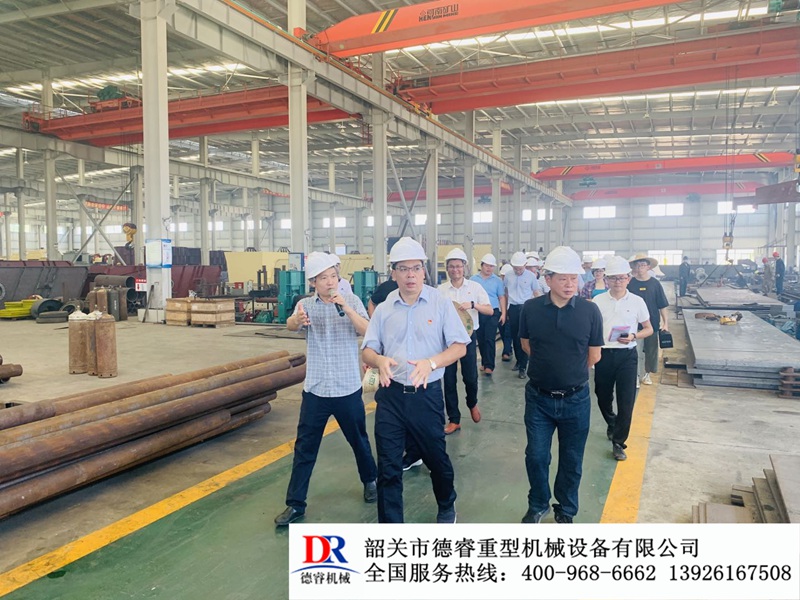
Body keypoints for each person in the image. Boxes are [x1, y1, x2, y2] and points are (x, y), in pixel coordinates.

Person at [361, 237, 470, 524]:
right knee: (388, 466)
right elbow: (368, 350)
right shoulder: (384, 309)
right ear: (393, 273)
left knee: (436, 457)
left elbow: (460, 347)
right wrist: (379, 360)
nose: (410, 274)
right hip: (391, 396)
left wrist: (431, 363)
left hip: (426, 395)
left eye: (416, 268)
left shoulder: (440, 304)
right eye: (403, 268)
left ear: (424, 271)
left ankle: (446, 505)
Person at [274, 252, 378, 527]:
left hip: (347, 388)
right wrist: (297, 321)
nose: (330, 282)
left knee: (358, 440)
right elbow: (290, 325)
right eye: (323, 278)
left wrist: (347, 308)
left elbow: (368, 330)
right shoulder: (305, 305)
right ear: (313, 282)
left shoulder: (351, 301)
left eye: (333, 276)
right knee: (305, 447)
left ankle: (370, 480)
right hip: (316, 390)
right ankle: (295, 504)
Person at [518, 246, 604, 524]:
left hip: (576, 399)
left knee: (571, 458)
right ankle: (538, 504)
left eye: (574, 278)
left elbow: (594, 355)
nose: (570, 284)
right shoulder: (531, 309)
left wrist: (568, 373)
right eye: (563, 278)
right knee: (536, 456)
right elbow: (526, 344)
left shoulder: (590, 311)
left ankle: (566, 509)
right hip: (539, 399)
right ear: (548, 279)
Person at [592, 256, 654, 462]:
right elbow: (591, 329)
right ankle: (612, 422)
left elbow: (648, 329)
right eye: (613, 278)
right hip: (603, 354)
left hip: (627, 355)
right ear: (606, 280)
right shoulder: (598, 301)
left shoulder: (637, 302)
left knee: (626, 400)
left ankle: (618, 442)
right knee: (602, 396)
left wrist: (634, 336)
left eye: (621, 278)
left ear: (629, 278)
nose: (617, 281)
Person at [439, 248, 492, 434]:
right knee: (448, 379)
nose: (455, 270)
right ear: (447, 268)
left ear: (464, 267)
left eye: (458, 266)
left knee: (470, 376)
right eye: (451, 266)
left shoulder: (475, 288)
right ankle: (454, 419)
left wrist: (473, 305)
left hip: (468, 338)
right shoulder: (441, 291)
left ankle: (472, 403)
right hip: (447, 341)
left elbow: (490, 310)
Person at [627, 253, 669, 386]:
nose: (640, 267)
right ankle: (635, 375)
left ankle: (647, 374)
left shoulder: (655, 284)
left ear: (648, 267)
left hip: (652, 324)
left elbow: (662, 305)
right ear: (634, 267)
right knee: (635, 351)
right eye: (637, 265)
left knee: (651, 351)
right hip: (634, 325)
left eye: (643, 265)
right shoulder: (630, 284)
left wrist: (665, 323)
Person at [505, 251, 542, 379]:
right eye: (515, 268)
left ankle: (523, 367)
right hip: (513, 308)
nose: (518, 271)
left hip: (526, 308)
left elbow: (536, 292)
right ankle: (519, 360)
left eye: (520, 268)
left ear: (525, 265)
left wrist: (540, 309)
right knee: (515, 336)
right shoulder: (508, 276)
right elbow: (506, 292)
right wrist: (505, 310)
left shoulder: (531, 276)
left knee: (524, 335)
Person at [471, 253, 506, 376]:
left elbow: (501, 297)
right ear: (481, 265)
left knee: (490, 338)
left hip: (493, 312)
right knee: (480, 338)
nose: (489, 268)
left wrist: (503, 313)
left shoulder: (497, 281)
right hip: (478, 311)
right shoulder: (473, 280)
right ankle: (484, 362)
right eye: (487, 265)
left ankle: (489, 366)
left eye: (491, 266)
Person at [498, 263, 515, 363]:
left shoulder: (512, 285)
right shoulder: (498, 284)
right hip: (500, 312)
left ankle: (506, 352)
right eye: (502, 276)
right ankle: (508, 348)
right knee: (502, 332)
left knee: (508, 333)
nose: (504, 278)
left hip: (510, 311)